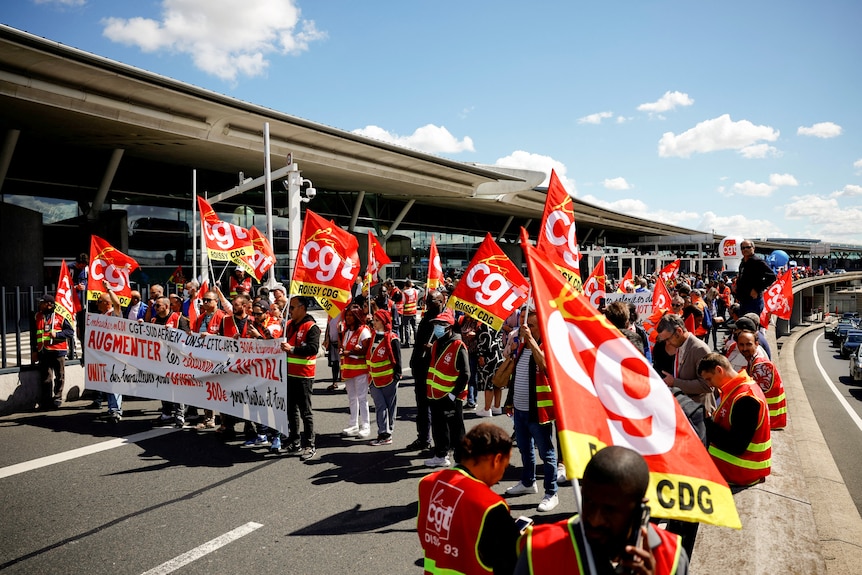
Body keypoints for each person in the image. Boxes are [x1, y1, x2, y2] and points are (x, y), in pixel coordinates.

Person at [515, 446, 689, 575]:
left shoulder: (671, 557)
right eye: (588, 502)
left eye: (610, 509)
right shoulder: (540, 549)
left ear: (639, 507)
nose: (595, 519)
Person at [417, 423, 521, 575]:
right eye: (505, 466)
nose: (502, 474)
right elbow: (511, 562)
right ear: (497, 459)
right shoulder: (489, 505)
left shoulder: (427, 484)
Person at [503, 311, 559, 513]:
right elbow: (513, 370)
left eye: (532, 326)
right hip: (520, 408)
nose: (527, 328)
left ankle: (551, 493)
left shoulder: (544, 345)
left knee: (547, 453)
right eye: (524, 324)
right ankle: (528, 482)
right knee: (525, 449)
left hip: (538, 410)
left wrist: (531, 341)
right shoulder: (521, 345)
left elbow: (544, 364)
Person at [697, 353, 772, 486]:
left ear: (719, 370)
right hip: (736, 469)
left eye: (709, 379)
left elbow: (737, 446)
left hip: (740, 472)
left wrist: (708, 423)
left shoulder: (746, 398)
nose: (710, 385)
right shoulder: (738, 388)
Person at [424, 307, 469, 468]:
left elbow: (465, 374)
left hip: (450, 396)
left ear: (449, 327)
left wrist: (453, 394)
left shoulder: (458, 345)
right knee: (438, 427)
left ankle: (461, 459)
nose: (437, 327)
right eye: (436, 324)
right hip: (435, 395)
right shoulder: (436, 343)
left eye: (441, 324)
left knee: (457, 430)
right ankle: (441, 455)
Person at [279, 296, 320, 461]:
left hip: (304, 375)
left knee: (305, 411)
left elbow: (313, 349)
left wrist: (293, 349)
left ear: (302, 308)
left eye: (293, 308)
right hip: (288, 374)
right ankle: (294, 441)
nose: (290, 311)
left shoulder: (312, 327)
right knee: (291, 410)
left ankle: (309, 444)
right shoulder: (288, 325)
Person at [407, 289, 446, 452]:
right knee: (422, 408)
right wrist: (414, 362)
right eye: (427, 302)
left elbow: (451, 346)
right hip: (421, 368)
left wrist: (434, 348)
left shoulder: (445, 321)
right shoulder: (426, 319)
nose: (429, 305)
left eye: (433, 302)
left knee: (438, 410)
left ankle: (442, 444)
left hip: (436, 371)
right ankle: (423, 438)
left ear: (441, 302)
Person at [654, 314, 715, 414]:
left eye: (668, 339)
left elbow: (707, 386)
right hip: (685, 409)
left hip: (700, 412)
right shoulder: (680, 344)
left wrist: (674, 382)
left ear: (679, 331)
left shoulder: (699, 349)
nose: (667, 343)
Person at [147, 295, 192, 427]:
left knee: (177, 387)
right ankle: (166, 413)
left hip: (176, 360)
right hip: (160, 360)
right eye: (155, 305)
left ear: (166, 306)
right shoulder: (154, 321)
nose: (155, 308)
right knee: (163, 386)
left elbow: (187, 338)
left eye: (158, 305)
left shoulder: (179, 319)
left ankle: (179, 414)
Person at [191, 288, 230, 430]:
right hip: (202, 359)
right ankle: (208, 418)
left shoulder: (223, 317)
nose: (205, 302)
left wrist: (212, 336)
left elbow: (228, 338)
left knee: (220, 390)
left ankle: (225, 422)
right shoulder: (200, 318)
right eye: (204, 300)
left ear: (216, 302)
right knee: (205, 389)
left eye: (208, 300)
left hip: (218, 360)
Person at [735, 331, 787, 429]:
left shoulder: (761, 365)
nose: (744, 348)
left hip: (767, 420)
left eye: (748, 344)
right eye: (741, 345)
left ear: (757, 344)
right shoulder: (753, 361)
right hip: (765, 419)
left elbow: (753, 395)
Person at [31, 294, 75, 410]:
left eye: (42, 302)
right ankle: (46, 400)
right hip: (43, 351)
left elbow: (70, 332)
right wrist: (35, 350)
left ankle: (57, 398)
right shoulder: (37, 316)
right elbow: (34, 335)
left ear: (49, 305)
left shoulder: (60, 316)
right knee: (46, 377)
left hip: (57, 350)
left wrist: (57, 335)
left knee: (60, 376)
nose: (39, 304)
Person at [366, 309, 402, 446]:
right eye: (374, 321)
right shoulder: (373, 336)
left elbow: (397, 359)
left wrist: (397, 376)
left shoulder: (392, 338)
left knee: (390, 407)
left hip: (388, 379)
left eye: (377, 321)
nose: (374, 323)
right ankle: (383, 432)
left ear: (384, 322)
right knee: (380, 406)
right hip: (374, 380)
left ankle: (387, 433)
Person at [340, 303, 373, 439]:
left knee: (362, 398)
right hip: (348, 369)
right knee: (352, 399)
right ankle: (353, 424)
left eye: (351, 316)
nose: (347, 318)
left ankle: (365, 426)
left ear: (357, 317)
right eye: (346, 315)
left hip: (360, 370)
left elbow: (366, 351)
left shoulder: (364, 331)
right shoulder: (347, 332)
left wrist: (349, 352)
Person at [93, 285, 124, 422]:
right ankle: (112, 408)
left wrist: (109, 289)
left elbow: (117, 303)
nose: (96, 304)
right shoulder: (101, 316)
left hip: (115, 354)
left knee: (115, 382)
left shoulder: (114, 314)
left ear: (107, 303)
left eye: (99, 301)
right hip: (105, 354)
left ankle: (116, 410)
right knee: (108, 383)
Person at [734, 240, 777, 315]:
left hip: (753, 301)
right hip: (743, 300)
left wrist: (757, 289)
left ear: (753, 248)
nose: (745, 249)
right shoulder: (743, 263)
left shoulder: (758, 262)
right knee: (743, 324)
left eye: (748, 247)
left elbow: (772, 276)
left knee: (751, 324)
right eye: (743, 248)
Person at [400, 279, 420, 347]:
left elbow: (403, 302)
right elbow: (416, 299)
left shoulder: (404, 293)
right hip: (414, 311)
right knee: (414, 327)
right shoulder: (415, 291)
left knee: (407, 327)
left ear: (405, 286)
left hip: (406, 313)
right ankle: (417, 341)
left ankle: (407, 342)